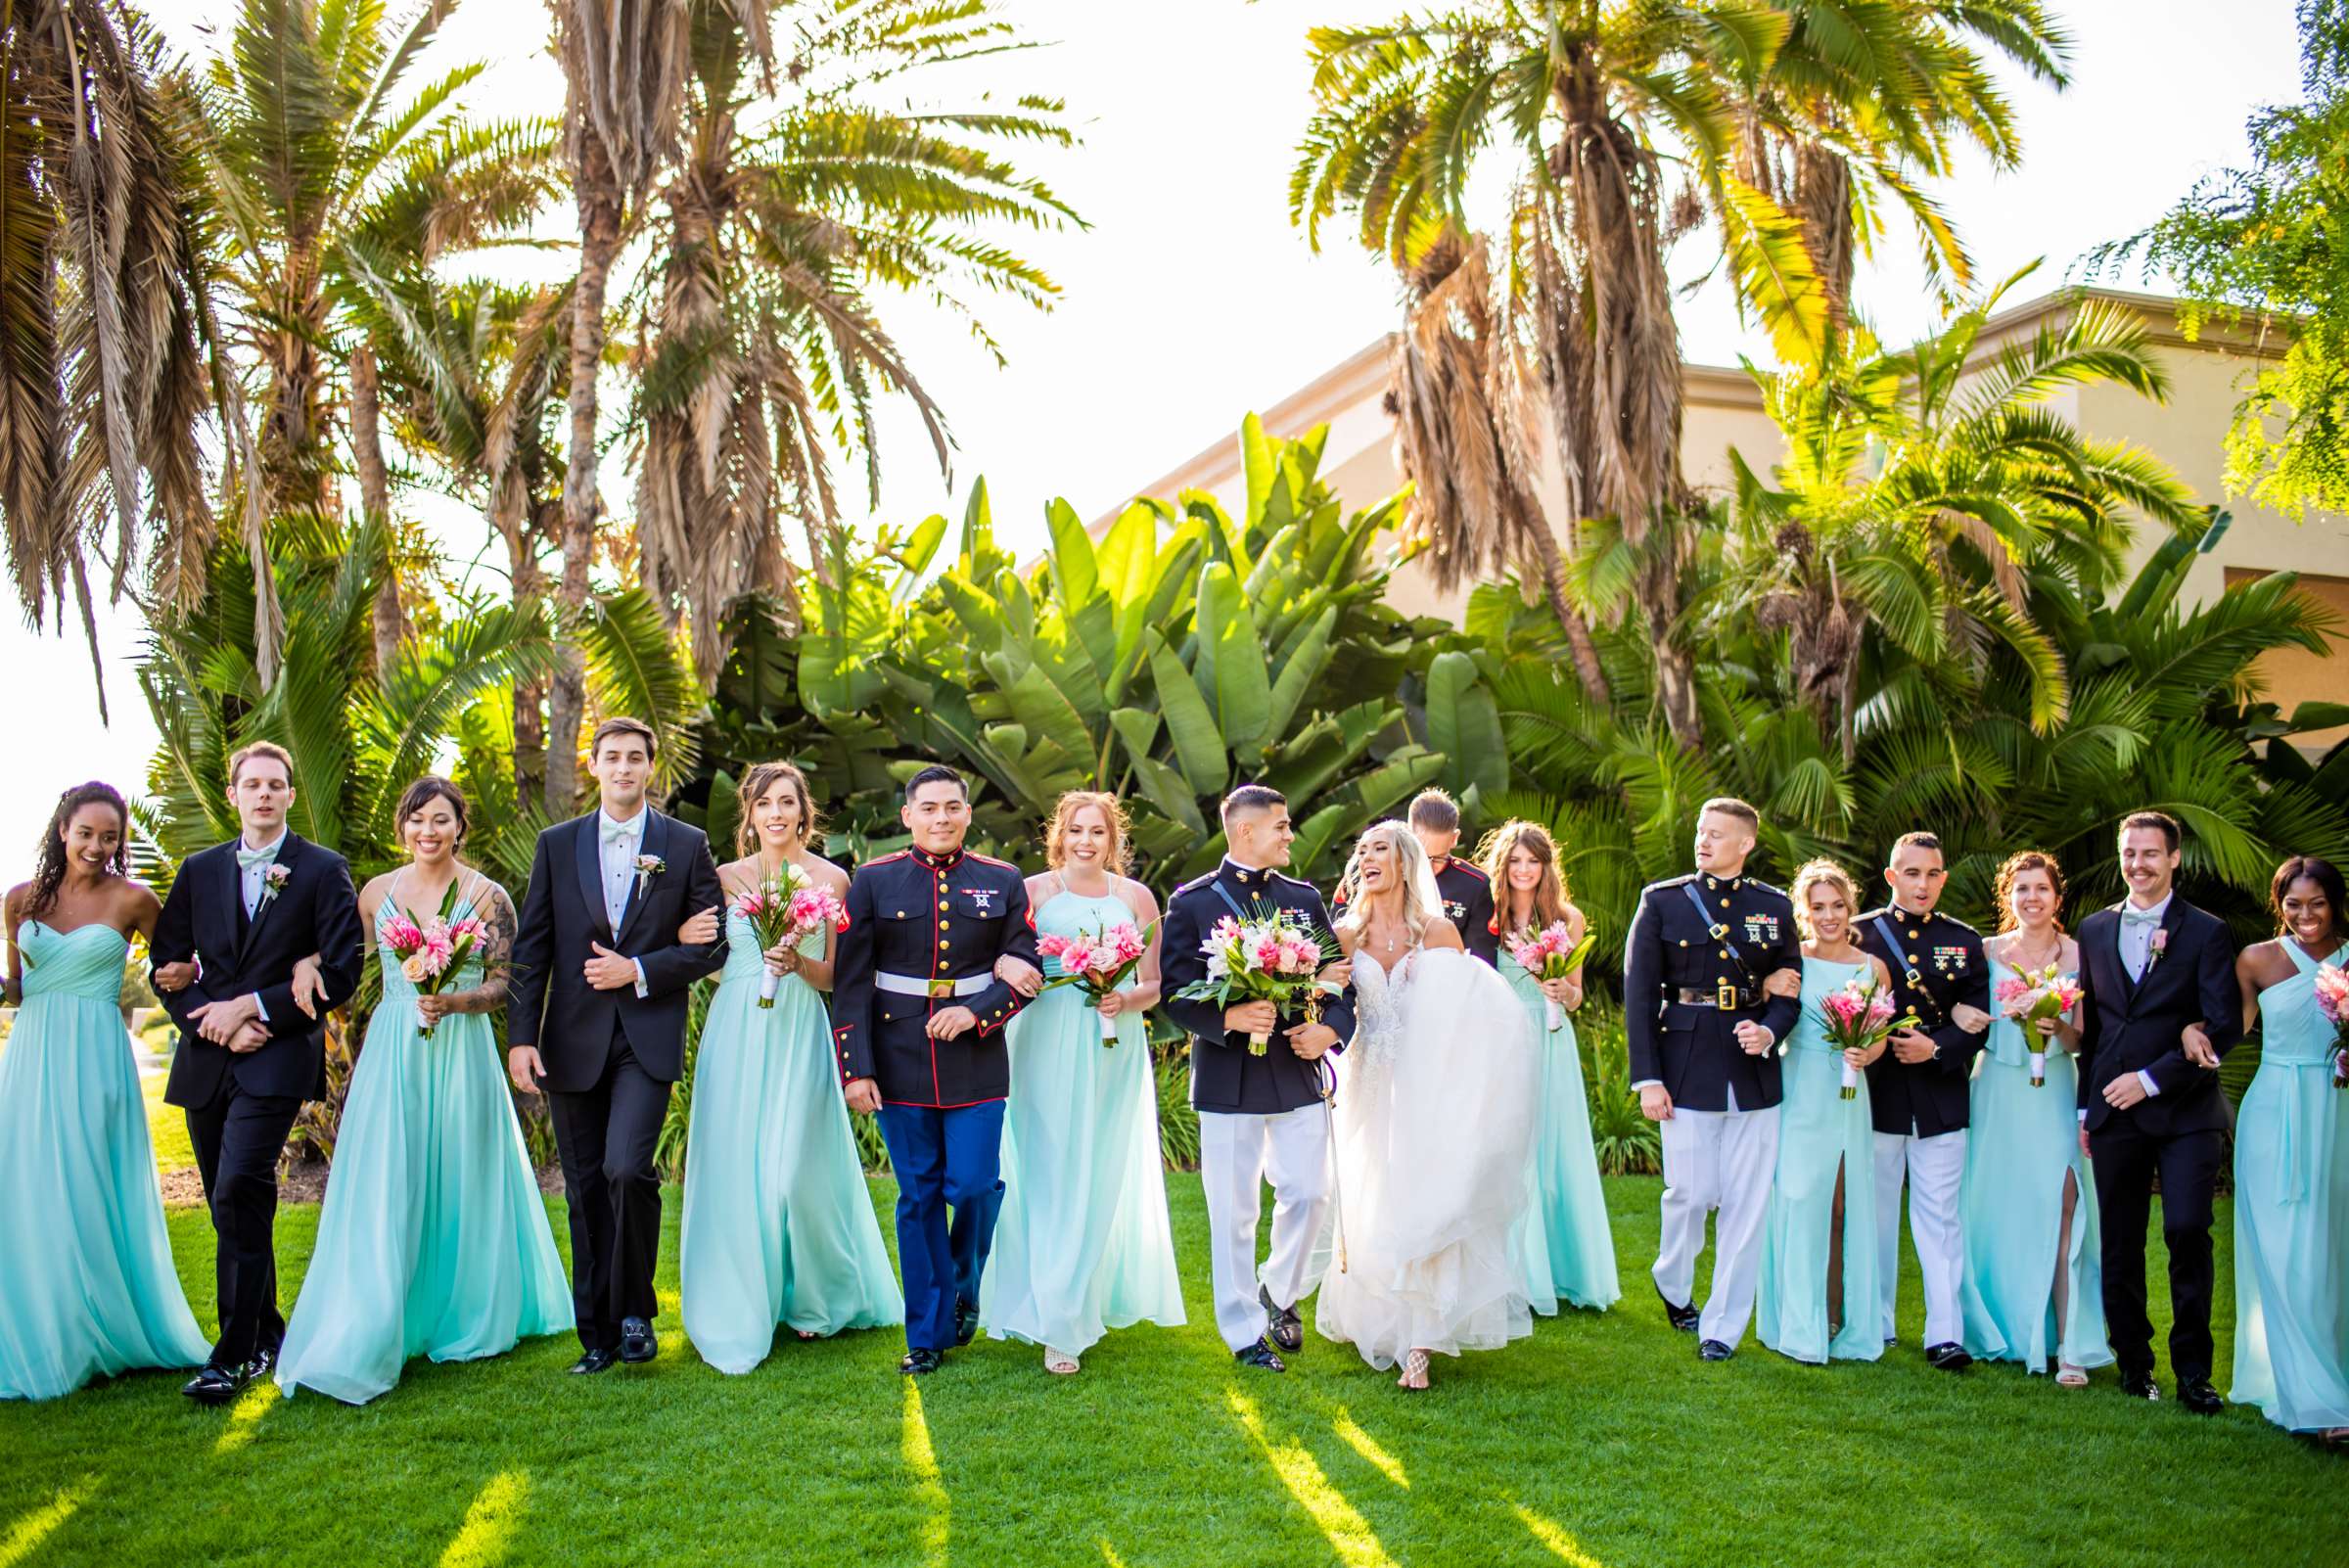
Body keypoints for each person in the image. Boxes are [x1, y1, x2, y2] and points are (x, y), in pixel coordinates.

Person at [273, 777, 572, 1404]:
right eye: (416, 820)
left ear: (460, 827)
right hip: (393, 1050)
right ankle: (382, 1307)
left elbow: (503, 984)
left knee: (463, 1171)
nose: (428, 832)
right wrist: (306, 964)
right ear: (402, 826)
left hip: (460, 1049)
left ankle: (465, 1311)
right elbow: (343, 961)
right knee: (391, 1173)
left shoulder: (489, 898)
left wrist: (453, 1000)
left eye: (440, 821)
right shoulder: (376, 892)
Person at [507, 717, 726, 1376]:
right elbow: (532, 949)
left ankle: (635, 1312)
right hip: (571, 1040)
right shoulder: (557, 845)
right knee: (583, 1189)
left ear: (649, 768)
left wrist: (640, 968)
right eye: (613, 757)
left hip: (645, 1036)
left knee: (627, 1170)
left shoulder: (684, 845)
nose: (624, 767)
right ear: (594, 765)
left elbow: (713, 943)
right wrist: (520, 1039)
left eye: (636, 757)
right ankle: (597, 1334)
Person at [151, 741, 364, 1406]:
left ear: (292, 796)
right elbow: (166, 965)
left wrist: (257, 1007)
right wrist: (207, 1017)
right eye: (253, 784)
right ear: (233, 794)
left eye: (277, 784)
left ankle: (234, 1355)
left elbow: (342, 971)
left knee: (241, 1183)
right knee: (229, 1201)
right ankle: (268, 1329)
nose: (265, 794)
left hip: (278, 1053)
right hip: (209, 1056)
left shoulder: (323, 870)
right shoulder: (199, 870)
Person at [674, 761, 899, 1372]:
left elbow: (835, 974)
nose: (776, 813)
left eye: (787, 802)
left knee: (792, 1171)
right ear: (748, 814)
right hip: (738, 1027)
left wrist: (795, 964)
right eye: (764, 803)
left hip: (799, 1024)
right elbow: (707, 958)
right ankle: (746, 1297)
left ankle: (815, 1296)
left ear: (804, 811)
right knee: (738, 1163)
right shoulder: (723, 878)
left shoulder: (831, 879)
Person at [0, 783, 211, 1400]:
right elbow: (17, 990)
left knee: (90, 1181)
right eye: (86, 832)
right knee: (32, 1184)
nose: (97, 846)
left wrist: (188, 972)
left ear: (121, 841)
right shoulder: (19, 900)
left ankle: (102, 1325)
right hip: (33, 1056)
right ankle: (45, 1329)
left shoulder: (135, 900)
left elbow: (179, 963)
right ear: (62, 830)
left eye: (110, 836)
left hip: (96, 1055)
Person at [831, 765, 1038, 1376]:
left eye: (952, 807)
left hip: (976, 1056)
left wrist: (976, 1012)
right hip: (897, 1058)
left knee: (975, 1185)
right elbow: (849, 987)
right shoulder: (873, 881)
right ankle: (927, 1332)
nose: (941, 818)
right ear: (908, 816)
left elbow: (1026, 966)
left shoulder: (1001, 881)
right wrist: (856, 1069)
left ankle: (963, 1287)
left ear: (968, 815)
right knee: (918, 1195)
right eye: (928, 809)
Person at [1314, 822, 1537, 1388]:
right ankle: (1380, 1317)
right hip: (1366, 1083)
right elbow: (1332, 1009)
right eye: (1360, 849)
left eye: (1379, 848)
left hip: (1427, 1086)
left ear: (1405, 860)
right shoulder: (1344, 936)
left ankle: (1422, 1342)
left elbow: (1470, 1016)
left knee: (1427, 1199)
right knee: (1375, 1201)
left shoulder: (1438, 934)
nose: (1366, 857)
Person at [981, 791, 1185, 1374]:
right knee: (1045, 1168)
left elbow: (1156, 984)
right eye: (1076, 831)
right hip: (1042, 1040)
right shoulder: (1034, 892)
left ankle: (1069, 1308)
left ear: (1113, 839)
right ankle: (1049, 1308)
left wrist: (1123, 998)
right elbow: (1001, 960)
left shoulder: (1137, 899)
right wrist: (1005, 968)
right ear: (1060, 836)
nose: (1087, 842)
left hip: (1109, 1045)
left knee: (1094, 1169)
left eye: (1098, 832)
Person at [1158, 784, 1356, 1372]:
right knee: (1234, 1210)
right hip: (1229, 1075)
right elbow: (1173, 993)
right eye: (1282, 826)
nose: (1290, 835)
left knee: (1310, 1192)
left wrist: (1331, 1031)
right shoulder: (1193, 903)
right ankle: (1245, 1331)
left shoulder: (1302, 897)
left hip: (1297, 1070)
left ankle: (1278, 1289)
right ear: (1246, 830)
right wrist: (1228, 1017)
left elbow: (1338, 978)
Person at [2075, 809, 2241, 1412]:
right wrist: (2082, 1109)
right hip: (2112, 1112)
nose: (2138, 865)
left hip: (2187, 1111)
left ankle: (2195, 1371)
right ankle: (2134, 1366)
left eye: (2150, 854)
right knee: (2119, 1241)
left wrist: (2150, 1079)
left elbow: (2223, 1024)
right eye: (2129, 853)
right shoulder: (2093, 929)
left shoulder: (2206, 931)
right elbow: (2094, 1028)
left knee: (2187, 1230)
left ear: (2174, 859)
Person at [1624, 797, 1801, 1361]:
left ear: (1745, 843)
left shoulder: (1773, 907)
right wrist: (1647, 1078)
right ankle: (1673, 1280)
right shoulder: (1664, 901)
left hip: (1753, 1073)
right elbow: (1638, 995)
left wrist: (1770, 1030)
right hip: (1685, 1062)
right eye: (1701, 832)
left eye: (1718, 834)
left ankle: (1721, 1327)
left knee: (1747, 1205)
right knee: (1691, 1193)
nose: (1703, 841)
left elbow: (1790, 989)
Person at [1956, 851, 2110, 1387]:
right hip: (1998, 1087)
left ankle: (2069, 1344)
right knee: (2000, 1207)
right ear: (2008, 898)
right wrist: (1961, 1014)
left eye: (2041, 888)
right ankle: (2009, 1327)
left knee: (2063, 1202)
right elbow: (1960, 1011)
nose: (2032, 898)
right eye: (2021, 889)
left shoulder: (2079, 953)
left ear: (2057, 897)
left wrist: (2053, 1028)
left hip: (2055, 1091)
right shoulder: (1985, 951)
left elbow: (2082, 1036)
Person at [1854, 830, 1987, 1371]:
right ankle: (1879, 1322)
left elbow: (1978, 1017)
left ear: (1943, 878)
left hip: (1940, 1091)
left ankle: (1944, 1333)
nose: (1923, 884)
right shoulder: (1860, 934)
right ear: (1891, 877)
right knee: (1878, 1212)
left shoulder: (1964, 939)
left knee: (1940, 1217)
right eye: (1911, 873)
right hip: (1877, 1090)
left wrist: (1939, 1047)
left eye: (1933, 874)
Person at [2229, 855, 2349, 1442]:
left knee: (2336, 1247)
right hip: (2276, 1112)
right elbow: (2230, 1028)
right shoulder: (2257, 960)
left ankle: (2336, 1375)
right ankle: (2312, 1397)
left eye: (2317, 903)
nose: (2306, 915)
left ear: (2336, 903)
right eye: (2293, 904)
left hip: (2339, 1110)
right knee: (2286, 1251)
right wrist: (2191, 1031)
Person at [1754, 859, 1886, 1364]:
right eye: (1817, 907)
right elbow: (1773, 1015)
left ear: (1850, 906)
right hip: (1800, 1088)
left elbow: (1879, 1037)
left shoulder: (1871, 968)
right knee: (1795, 1198)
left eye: (1836, 906)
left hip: (1849, 1094)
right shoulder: (1792, 965)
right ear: (1803, 913)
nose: (1828, 916)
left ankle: (1835, 1314)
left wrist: (1865, 1053)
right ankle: (1793, 1317)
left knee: (1840, 1206)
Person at [1483, 819, 1618, 1313]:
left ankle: (1561, 1270)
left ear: (1546, 866)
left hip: (1550, 1033)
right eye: (1515, 861)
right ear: (1503, 865)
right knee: (1507, 1147)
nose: (1523, 870)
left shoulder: (1566, 918)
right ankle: (1510, 1271)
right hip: (1501, 1038)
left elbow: (1579, 994)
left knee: (1553, 1146)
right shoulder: (1488, 918)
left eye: (1533, 861)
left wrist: (1566, 991)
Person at [1405, 788, 1497, 965]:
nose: (1429, 867)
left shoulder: (1474, 885)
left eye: (1438, 858)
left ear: (1454, 839)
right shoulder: (1381, 873)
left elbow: (1480, 961)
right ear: (1407, 835)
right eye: (1422, 857)